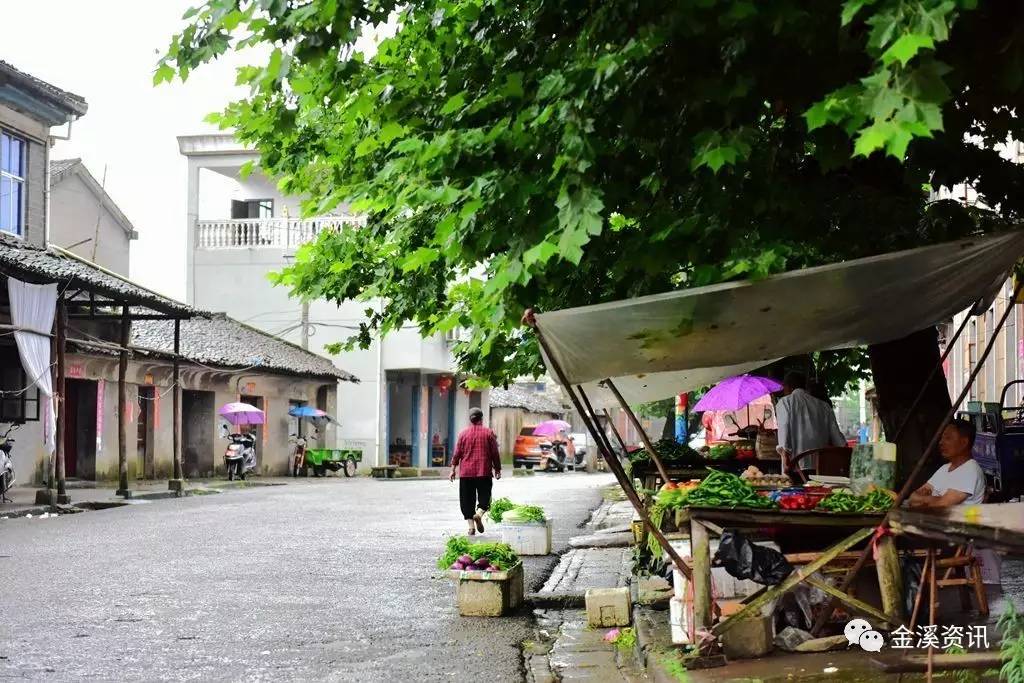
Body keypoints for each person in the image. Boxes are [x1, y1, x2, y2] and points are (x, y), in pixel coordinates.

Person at [775, 372, 846, 471]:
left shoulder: (785, 402)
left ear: (788, 387)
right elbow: (839, 441)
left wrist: (785, 456)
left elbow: (784, 428)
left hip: (796, 468)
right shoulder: (824, 406)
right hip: (820, 469)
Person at [908, 419, 985, 510]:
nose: (941, 442)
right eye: (942, 438)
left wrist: (925, 499)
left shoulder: (970, 470)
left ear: (964, 443)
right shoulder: (945, 468)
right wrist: (933, 500)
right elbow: (912, 498)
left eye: (948, 438)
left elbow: (942, 504)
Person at [450, 407, 501, 535]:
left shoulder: (463, 434)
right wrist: (498, 469)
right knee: (485, 496)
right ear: (481, 419)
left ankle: (471, 527)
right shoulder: (489, 433)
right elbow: (495, 453)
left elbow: (457, 454)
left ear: (471, 420)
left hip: (466, 473)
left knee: (467, 499)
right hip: (483, 471)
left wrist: (453, 470)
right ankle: (479, 513)